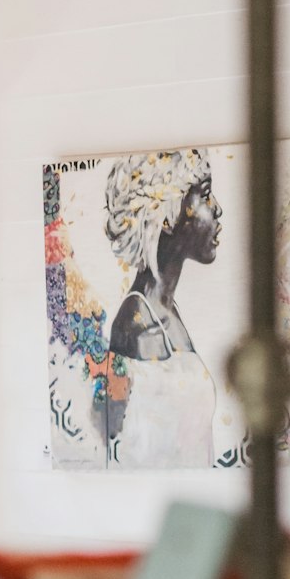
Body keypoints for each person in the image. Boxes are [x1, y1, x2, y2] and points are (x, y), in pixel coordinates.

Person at [103, 149, 222, 468]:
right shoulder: (139, 326)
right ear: (167, 215)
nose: (217, 209)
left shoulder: (168, 312)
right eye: (205, 196)